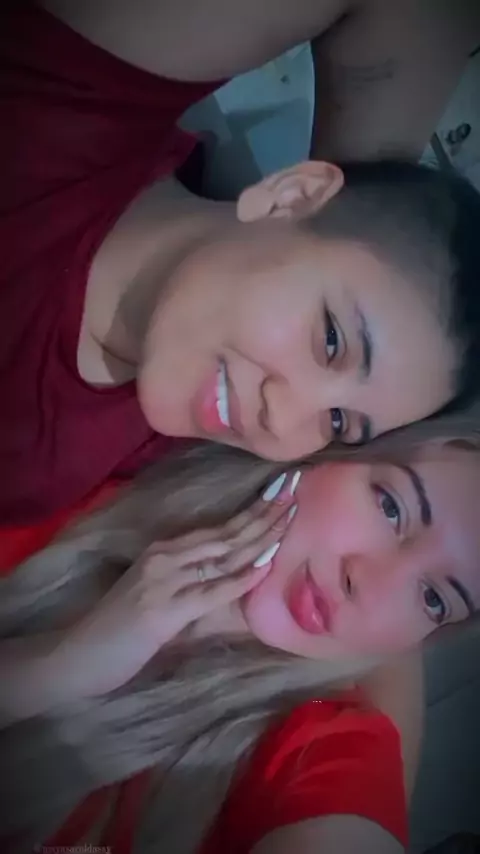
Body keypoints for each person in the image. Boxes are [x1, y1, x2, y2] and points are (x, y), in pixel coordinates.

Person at [2, 1, 480, 530]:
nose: (282, 420)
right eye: (330, 340)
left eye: (339, 422)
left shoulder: (169, 445)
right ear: (291, 196)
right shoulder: (58, 109)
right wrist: (354, 206)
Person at [1, 425, 479, 852]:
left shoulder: (326, 741)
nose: (369, 585)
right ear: (326, 448)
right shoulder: (79, 471)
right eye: (391, 507)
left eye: (434, 599)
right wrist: (63, 664)